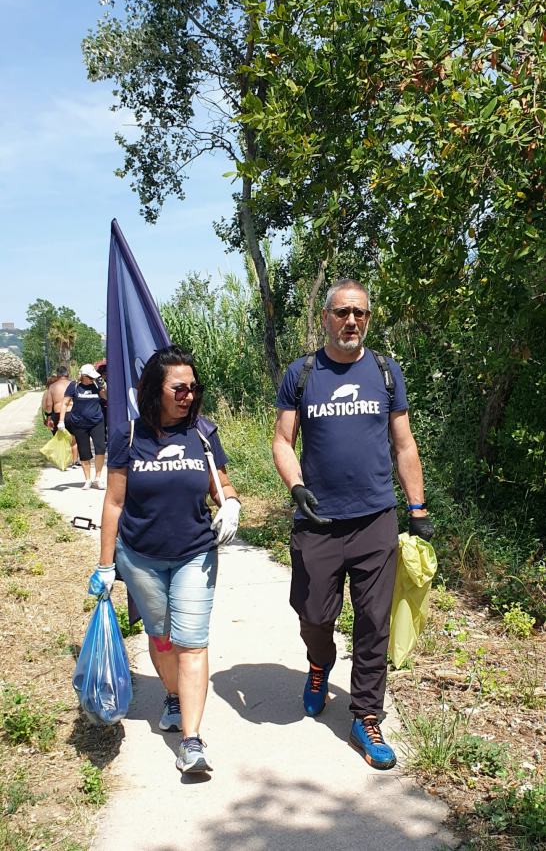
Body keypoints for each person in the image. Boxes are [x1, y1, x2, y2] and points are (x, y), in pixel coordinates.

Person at [272, 279, 434, 771]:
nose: (351, 322)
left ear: (367, 318)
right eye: (342, 312)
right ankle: (319, 664)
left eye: (360, 313)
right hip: (317, 521)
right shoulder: (301, 374)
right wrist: (295, 484)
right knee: (314, 616)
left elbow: (403, 444)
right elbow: (282, 440)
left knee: (372, 624)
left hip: (375, 520)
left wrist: (418, 509)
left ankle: (366, 716)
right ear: (325, 317)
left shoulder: (385, 372)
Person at [95, 345, 241, 774]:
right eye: (179, 388)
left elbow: (222, 486)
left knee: (191, 641)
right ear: (154, 390)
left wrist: (230, 504)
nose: (188, 396)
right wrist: (106, 566)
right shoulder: (127, 436)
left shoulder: (203, 434)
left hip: (195, 553)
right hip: (140, 557)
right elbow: (114, 504)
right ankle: (174, 695)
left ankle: (191, 740)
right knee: (161, 639)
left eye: (194, 388)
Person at [58, 364, 107, 489]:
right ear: (83, 376)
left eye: (93, 378)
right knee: (84, 452)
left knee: (100, 449)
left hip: (97, 422)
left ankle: (98, 478)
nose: (92, 380)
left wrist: (102, 386)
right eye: (90, 378)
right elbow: (65, 403)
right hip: (79, 423)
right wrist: (61, 421)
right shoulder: (74, 386)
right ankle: (88, 479)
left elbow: (106, 398)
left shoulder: (96, 385)